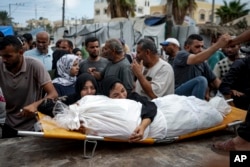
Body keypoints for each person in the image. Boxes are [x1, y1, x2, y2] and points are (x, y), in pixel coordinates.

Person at [52, 76, 227, 142]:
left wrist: (142, 127)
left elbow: (151, 107)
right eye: (116, 95)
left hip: (162, 111)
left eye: (123, 91)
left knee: (194, 109)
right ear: (106, 97)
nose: (121, 96)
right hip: (156, 115)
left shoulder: (133, 98)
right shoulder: (105, 106)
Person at [0, 35, 58, 137]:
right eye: (2, 56)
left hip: (33, 127)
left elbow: (53, 94)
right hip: (9, 125)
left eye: (8, 56)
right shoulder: (1, 65)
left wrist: (35, 105)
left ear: (21, 52)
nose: (4, 60)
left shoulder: (34, 65)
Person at [213, 29, 250, 152]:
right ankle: (242, 143)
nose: (230, 50)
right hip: (235, 101)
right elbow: (224, 86)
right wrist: (232, 106)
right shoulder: (239, 64)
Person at [173, 34, 231, 100]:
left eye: (202, 47)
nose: (200, 50)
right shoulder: (181, 55)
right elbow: (196, 59)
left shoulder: (202, 63)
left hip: (193, 96)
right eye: (197, 47)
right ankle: (198, 107)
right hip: (179, 95)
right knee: (201, 80)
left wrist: (228, 93)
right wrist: (217, 45)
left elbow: (215, 80)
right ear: (187, 47)